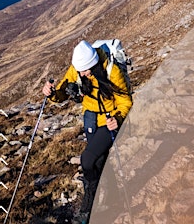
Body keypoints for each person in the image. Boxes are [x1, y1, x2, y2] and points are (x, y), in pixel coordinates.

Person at [42, 40, 132, 223]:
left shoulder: (111, 71)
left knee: (88, 159)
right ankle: (114, 200)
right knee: (99, 161)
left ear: (94, 66)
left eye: (84, 71)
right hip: (91, 118)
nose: (80, 74)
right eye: (79, 71)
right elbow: (62, 93)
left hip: (109, 120)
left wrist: (119, 118)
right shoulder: (77, 69)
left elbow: (125, 101)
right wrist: (51, 94)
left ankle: (89, 203)